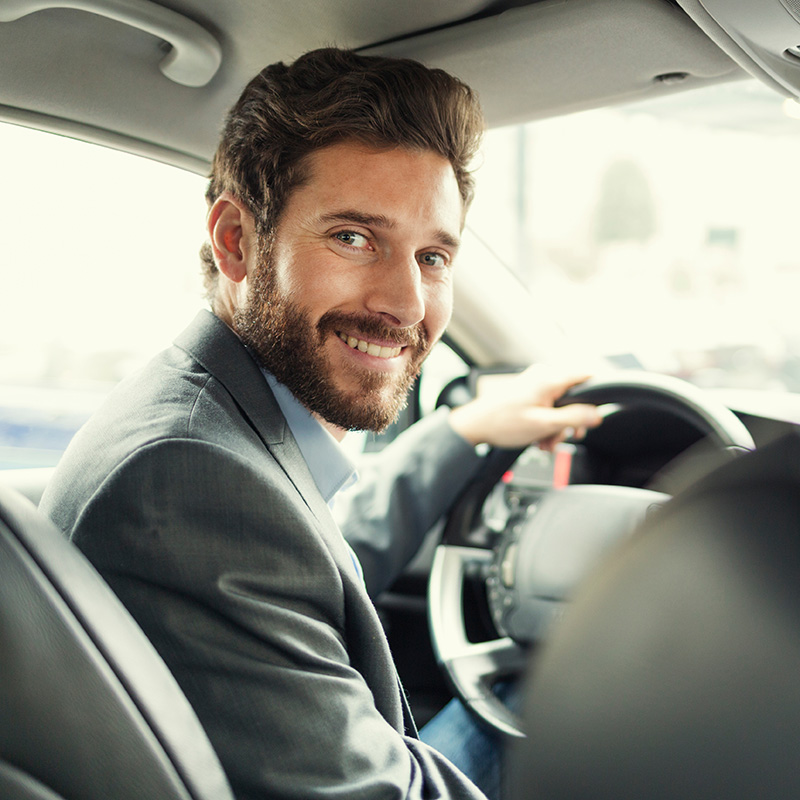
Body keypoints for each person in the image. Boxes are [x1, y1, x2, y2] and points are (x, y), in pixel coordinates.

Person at [40, 48, 601, 800]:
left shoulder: (214, 429)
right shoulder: (183, 481)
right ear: (236, 241)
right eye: (354, 238)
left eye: (433, 256)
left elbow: (314, 561)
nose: (405, 303)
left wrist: (462, 430)